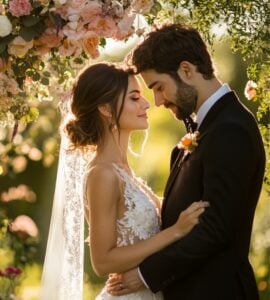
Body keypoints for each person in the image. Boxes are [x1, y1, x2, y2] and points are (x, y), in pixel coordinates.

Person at [107, 24, 266, 300]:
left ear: (186, 70)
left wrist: (146, 274)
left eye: (159, 87)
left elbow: (216, 228)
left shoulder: (231, 129)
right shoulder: (204, 128)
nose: (156, 101)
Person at [40, 62, 208, 300]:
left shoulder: (123, 171)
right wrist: (175, 232)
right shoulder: (102, 174)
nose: (147, 104)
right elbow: (102, 261)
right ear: (106, 109)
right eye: (134, 98)